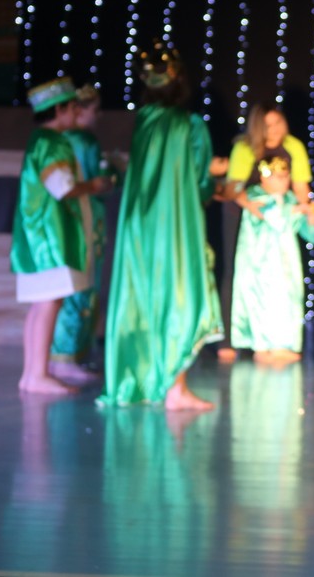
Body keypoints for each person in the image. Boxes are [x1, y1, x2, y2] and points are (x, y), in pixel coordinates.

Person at [100, 43, 224, 410]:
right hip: (176, 224)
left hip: (140, 224)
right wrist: (213, 183)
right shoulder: (190, 125)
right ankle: (175, 388)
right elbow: (201, 181)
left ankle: (141, 380)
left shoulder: (144, 120)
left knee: (142, 295)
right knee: (179, 291)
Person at [11, 76, 109, 395]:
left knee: (41, 305)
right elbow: (62, 188)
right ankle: (37, 374)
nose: (77, 113)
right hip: (49, 240)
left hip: (38, 238)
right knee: (48, 304)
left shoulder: (39, 140)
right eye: (72, 108)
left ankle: (32, 374)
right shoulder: (52, 143)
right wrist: (93, 185)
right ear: (60, 110)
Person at [219, 102, 313, 363]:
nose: (274, 130)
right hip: (244, 214)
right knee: (237, 271)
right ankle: (231, 339)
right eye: (267, 125)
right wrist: (249, 204)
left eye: (278, 123)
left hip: (277, 216)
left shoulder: (293, 146)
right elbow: (232, 188)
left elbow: (301, 186)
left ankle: (274, 340)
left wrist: (305, 208)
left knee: (278, 276)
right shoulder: (245, 148)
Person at [229, 156, 314, 362]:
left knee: (287, 298)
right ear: (264, 178)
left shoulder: (290, 198)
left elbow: (308, 235)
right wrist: (297, 209)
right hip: (260, 259)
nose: (283, 181)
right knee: (261, 297)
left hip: (286, 260)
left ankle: (282, 345)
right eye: (277, 177)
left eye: (286, 176)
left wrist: (311, 217)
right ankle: (261, 346)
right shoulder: (254, 195)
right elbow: (270, 215)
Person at [49, 83, 112, 384]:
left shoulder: (61, 140)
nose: (97, 116)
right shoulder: (83, 141)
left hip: (69, 219)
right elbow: (94, 184)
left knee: (71, 284)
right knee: (81, 284)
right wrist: (111, 176)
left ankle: (65, 354)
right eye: (93, 110)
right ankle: (67, 355)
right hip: (85, 218)